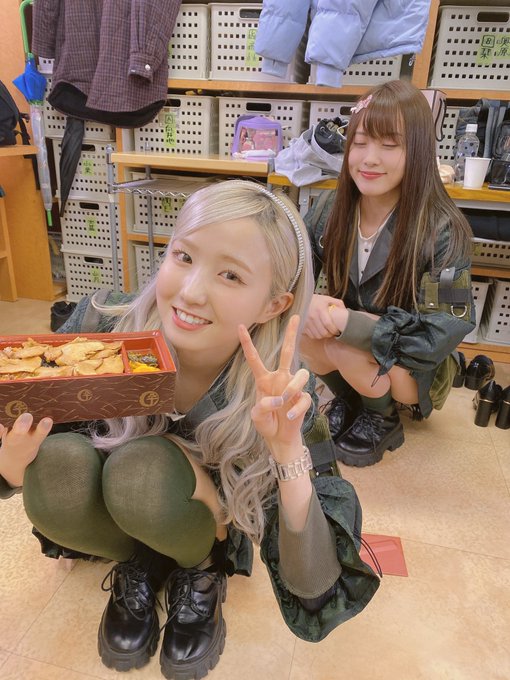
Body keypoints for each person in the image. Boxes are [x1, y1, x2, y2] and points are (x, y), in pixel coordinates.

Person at [0, 181, 379, 680]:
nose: (191, 291)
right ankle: (140, 564)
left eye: (230, 275)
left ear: (273, 304)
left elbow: (314, 586)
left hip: (200, 516)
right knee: (54, 465)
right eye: (183, 256)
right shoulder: (104, 326)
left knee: (142, 469)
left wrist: (288, 451)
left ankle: (199, 569)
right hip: (117, 508)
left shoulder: (281, 391)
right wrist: (12, 467)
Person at [300, 80, 475, 469]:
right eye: (360, 143)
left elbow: (443, 330)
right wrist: (307, 301)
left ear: (418, 151)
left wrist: (353, 325)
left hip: (418, 366)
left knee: (343, 343)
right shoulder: (331, 208)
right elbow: (294, 266)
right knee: (302, 328)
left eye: (390, 145)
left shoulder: (444, 229)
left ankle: (383, 417)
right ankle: (352, 400)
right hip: (358, 346)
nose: (369, 159)